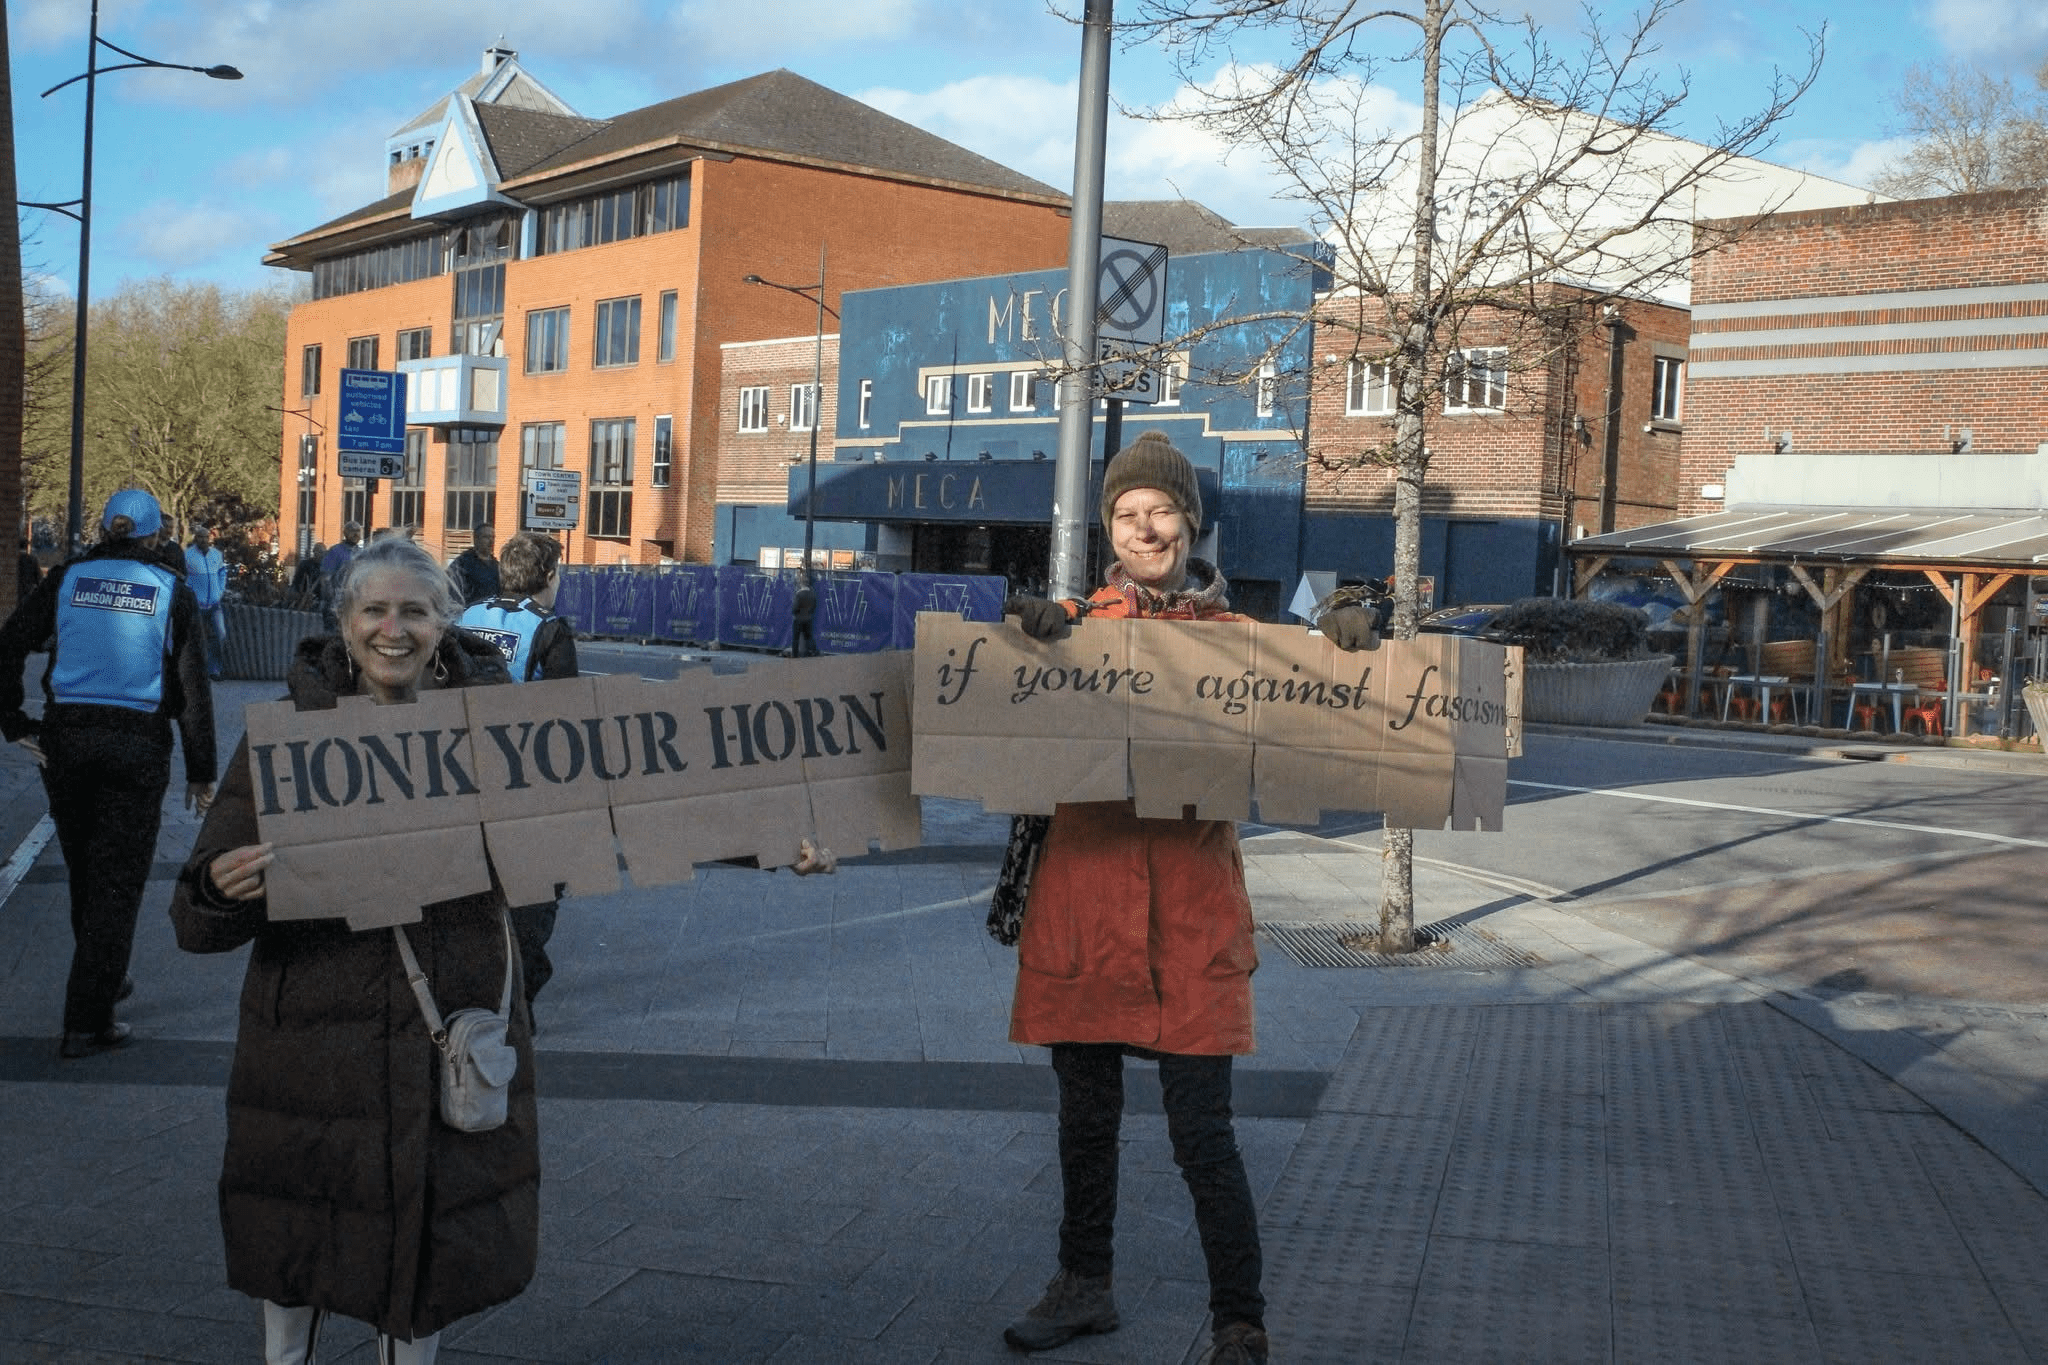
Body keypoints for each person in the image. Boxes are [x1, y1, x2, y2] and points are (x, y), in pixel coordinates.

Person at [170, 536, 835, 1364]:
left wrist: (770, 838)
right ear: (344, 622)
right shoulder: (282, 742)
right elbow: (192, 920)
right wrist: (216, 889)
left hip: (446, 1037)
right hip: (310, 1059)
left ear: (443, 622)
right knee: (298, 1248)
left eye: (414, 610)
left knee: (424, 1266)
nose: (393, 628)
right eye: (374, 609)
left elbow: (628, 800)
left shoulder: (501, 732)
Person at [996, 431, 1378, 1365]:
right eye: (1126, 514)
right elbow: (996, 734)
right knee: (1086, 1124)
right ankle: (1084, 1284)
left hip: (1188, 918)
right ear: (1108, 528)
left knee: (1204, 1136)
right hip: (1084, 907)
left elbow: (1339, 711)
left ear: (1190, 522)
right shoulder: (1068, 625)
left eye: (1160, 510)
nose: (1144, 527)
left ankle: (1240, 1323)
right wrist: (1021, 647)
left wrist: (1347, 651)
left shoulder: (1239, 643)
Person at [0, 489, 215, 1058]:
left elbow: (9, 643)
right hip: (136, 746)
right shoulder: (173, 592)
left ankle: (105, 974)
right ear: (153, 536)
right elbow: (194, 691)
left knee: (87, 873)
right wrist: (201, 770)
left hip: (65, 742)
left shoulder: (66, 579)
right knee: (117, 885)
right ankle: (86, 1024)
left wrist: (12, 720)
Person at [456, 532, 577, 1010]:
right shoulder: (549, 628)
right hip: (526, 779)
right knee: (534, 896)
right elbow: (568, 717)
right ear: (547, 575)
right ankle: (516, 1001)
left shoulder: (468, 616)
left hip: (468, 772)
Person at [184, 524, 229, 681]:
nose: (203, 540)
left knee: (220, 635)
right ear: (195, 538)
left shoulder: (216, 554)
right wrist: (190, 595)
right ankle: (198, 671)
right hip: (197, 604)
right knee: (197, 638)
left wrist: (220, 591)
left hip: (215, 603)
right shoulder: (188, 555)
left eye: (205, 537)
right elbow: (183, 578)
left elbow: (222, 572)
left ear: (209, 538)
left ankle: (215, 670)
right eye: (200, 537)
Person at [318, 522, 362, 629]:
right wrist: (331, 601)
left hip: (354, 602)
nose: (356, 534)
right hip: (337, 602)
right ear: (345, 533)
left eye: (358, 531)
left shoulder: (361, 553)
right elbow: (325, 578)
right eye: (352, 531)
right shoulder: (335, 551)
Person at [448, 523, 500, 607]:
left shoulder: (496, 565)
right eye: (486, 537)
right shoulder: (462, 564)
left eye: (493, 537)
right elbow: (452, 591)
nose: (491, 541)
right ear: (476, 539)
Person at [790, 568, 819, 657]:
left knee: (796, 638)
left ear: (801, 584)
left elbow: (794, 608)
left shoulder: (799, 594)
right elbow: (814, 605)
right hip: (808, 618)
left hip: (798, 619)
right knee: (809, 637)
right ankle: (813, 651)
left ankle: (795, 654)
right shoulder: (812, 593)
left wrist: (795, 613)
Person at [17, 537, 42, 605]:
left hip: (16, 589)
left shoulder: (15, 560)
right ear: (27, 547)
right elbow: (38, 576)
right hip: (29, 589)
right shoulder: (32, 559)